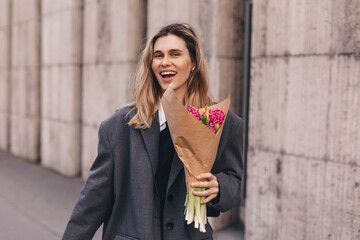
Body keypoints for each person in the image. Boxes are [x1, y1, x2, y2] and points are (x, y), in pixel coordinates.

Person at [63, 23, 244, 240]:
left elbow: (234, 183)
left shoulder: (220, 121)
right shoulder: (119, 127)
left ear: (193, 63)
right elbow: (92, 200)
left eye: (175, 54)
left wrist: (219, 187)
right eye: (158, 55)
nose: (165, 62)